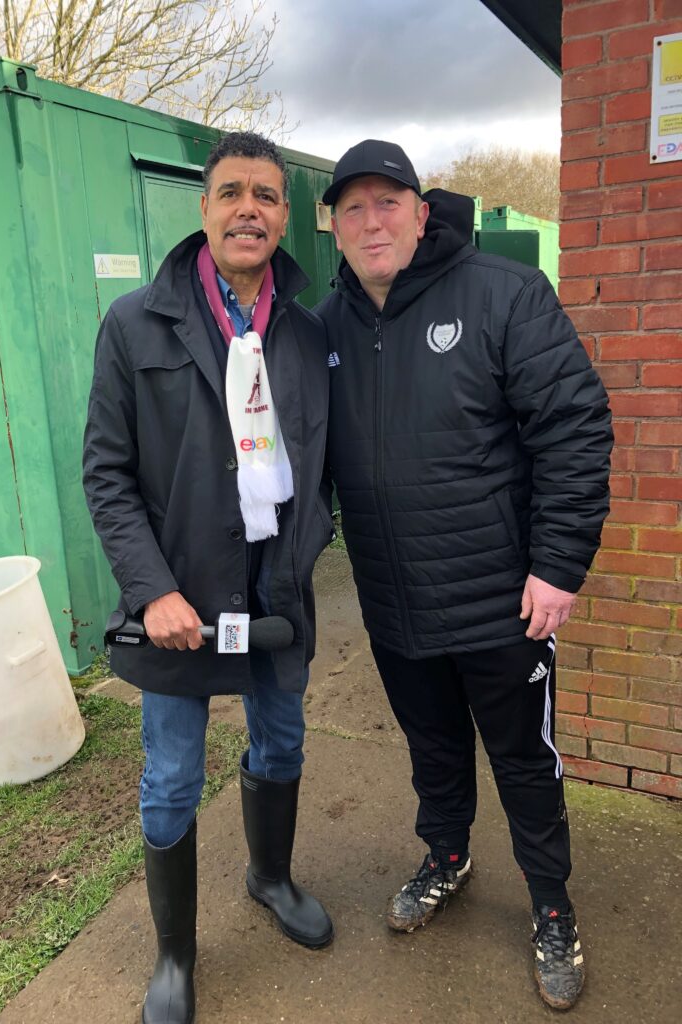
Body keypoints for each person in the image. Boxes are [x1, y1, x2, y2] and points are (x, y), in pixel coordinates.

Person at [316, 139, 613, 1012]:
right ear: (333, 225)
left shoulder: (503, 294)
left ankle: (552, 906)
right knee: (434, 750)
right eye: (353, 207)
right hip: (393, 602)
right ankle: (447, 855)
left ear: (420, 209)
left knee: (524, 761)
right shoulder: (323, 326)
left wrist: (558, 565)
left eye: (387, 202)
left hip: (500, 603)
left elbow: (575, 430)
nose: (372, 221)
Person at [83, 131, 334, 1024]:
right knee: (171, 778)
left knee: (283, 746)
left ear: (283, 215)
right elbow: (106, 474)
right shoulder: (133, 325)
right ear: (203, 208)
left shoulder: (306, 331)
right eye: (232, 193)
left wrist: (308, 551)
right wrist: (152, 591)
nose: (250, 211)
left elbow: (326, 463)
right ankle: (175, 957)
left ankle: (270, 877)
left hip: (276, 596)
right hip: (179, 601)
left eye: (267, 196)